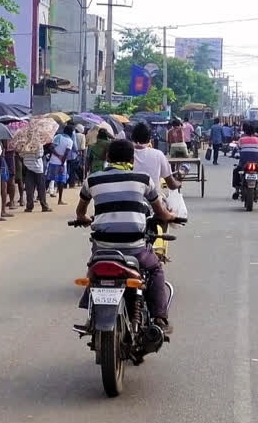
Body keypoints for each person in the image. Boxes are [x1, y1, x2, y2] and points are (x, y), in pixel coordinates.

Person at [74, 139, 177, 333]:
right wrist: (171, 217)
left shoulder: (92, 179)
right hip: (134, 247)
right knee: (155, 269)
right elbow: (161, 213)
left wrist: (84, 219)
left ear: (108, 157)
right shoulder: (143, 179)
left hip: (103, 248)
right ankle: (160, 318)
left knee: (94, 271)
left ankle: (90, 315)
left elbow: (80, 212)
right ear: (132, 159)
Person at [131, 123, 181, 190]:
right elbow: (172, 185)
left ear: (132, 137)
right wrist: (179, 182)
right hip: (154, 198)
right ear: (149, 138)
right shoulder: (158, 154)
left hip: (132, 196)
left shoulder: (126, 155)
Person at [46, 124, 74, 205]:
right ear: (71, 133)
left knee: (48, 179)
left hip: (53, 161)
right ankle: (60, 200)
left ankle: (41, 197)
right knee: (61, 181)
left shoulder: (58, 137)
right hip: (62, 164)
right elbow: (66, 153)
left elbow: (51, 148)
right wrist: (62, 163)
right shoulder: (70, 141)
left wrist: (57, 155)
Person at [232, 121, 258, 200]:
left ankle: (236, 190)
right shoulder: (257, 139)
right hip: (256, 163)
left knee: (236, 171)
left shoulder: (241, 139)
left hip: (244, 164)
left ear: (245, 131)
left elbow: (236, 149)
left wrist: (233, 155)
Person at [22, 145, 51, 213]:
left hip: (28, 167)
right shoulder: (39, 144)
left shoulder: (24, 144)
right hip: (38, 168)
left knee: (29, 188)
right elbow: (39, 155)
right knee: (41, 188)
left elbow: (21, 155)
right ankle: (44, 206)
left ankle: (29, 207)